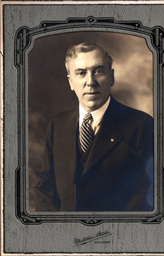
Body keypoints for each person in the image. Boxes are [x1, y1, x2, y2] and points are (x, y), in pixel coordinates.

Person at [34, 42, 154, 212]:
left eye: (98, 71)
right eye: (81, 73)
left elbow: (147, 192)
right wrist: (56, 230)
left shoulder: (142, 125)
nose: (90, 82)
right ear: (70, 82)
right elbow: (45, 189)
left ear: (111, 77)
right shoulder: (57, 125)